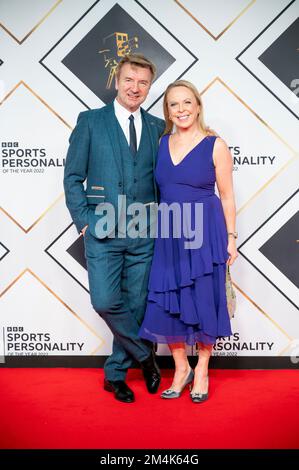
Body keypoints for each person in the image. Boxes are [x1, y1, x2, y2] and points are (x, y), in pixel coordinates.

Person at [64, 54, 165, 403]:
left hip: (145, 232)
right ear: (116, 81)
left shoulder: (156, 127)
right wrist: (84, 222)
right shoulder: (90, 122)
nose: (135, 88)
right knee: (105, 300)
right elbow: (73, 177)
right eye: (129, 80)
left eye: (143, 83)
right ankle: (146, 356)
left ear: (149, 87)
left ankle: (115, 373)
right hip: (102, 231)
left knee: (136, 304)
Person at [139, 80, 238, 403]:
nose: (180, 110)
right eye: (173, 104)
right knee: (168, 299)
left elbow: (226, 197)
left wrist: (232, 239)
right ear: (167, 111)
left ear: (197, 106)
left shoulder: (215, 145)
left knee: (204, 298)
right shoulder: (161, 142)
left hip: (206, 233)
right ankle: (180, 368)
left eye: (186, 103)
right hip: (169, 233)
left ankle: (202, 370)